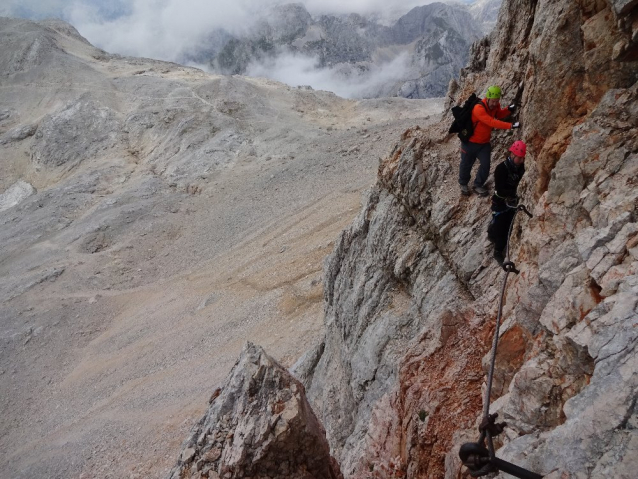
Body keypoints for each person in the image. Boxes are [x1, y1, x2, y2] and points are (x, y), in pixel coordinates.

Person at [459, 85, 520, 197]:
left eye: (497, 101)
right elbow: (491, 122)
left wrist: (508, 109)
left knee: (486, 165)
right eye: (493, 101)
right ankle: (463, 183)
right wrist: (511, 125)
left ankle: (478, 185)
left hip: (483, 144)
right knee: (466, 164)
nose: (495, 104)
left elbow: (499, 114)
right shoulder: (478, 108)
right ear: (488, 98)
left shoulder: (495, 106)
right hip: (469, 143)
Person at [487, 140, 526, 264]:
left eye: (522, 159)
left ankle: (496, 236)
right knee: (501, 229)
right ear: (512, 155)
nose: (521, 161)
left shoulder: (521, 168)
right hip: (500, 203)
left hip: (512, 203)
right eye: (519, 158)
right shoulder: (501, 169)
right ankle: (497, 252)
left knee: (509, 226)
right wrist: (513, 193)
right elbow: (500, 189)